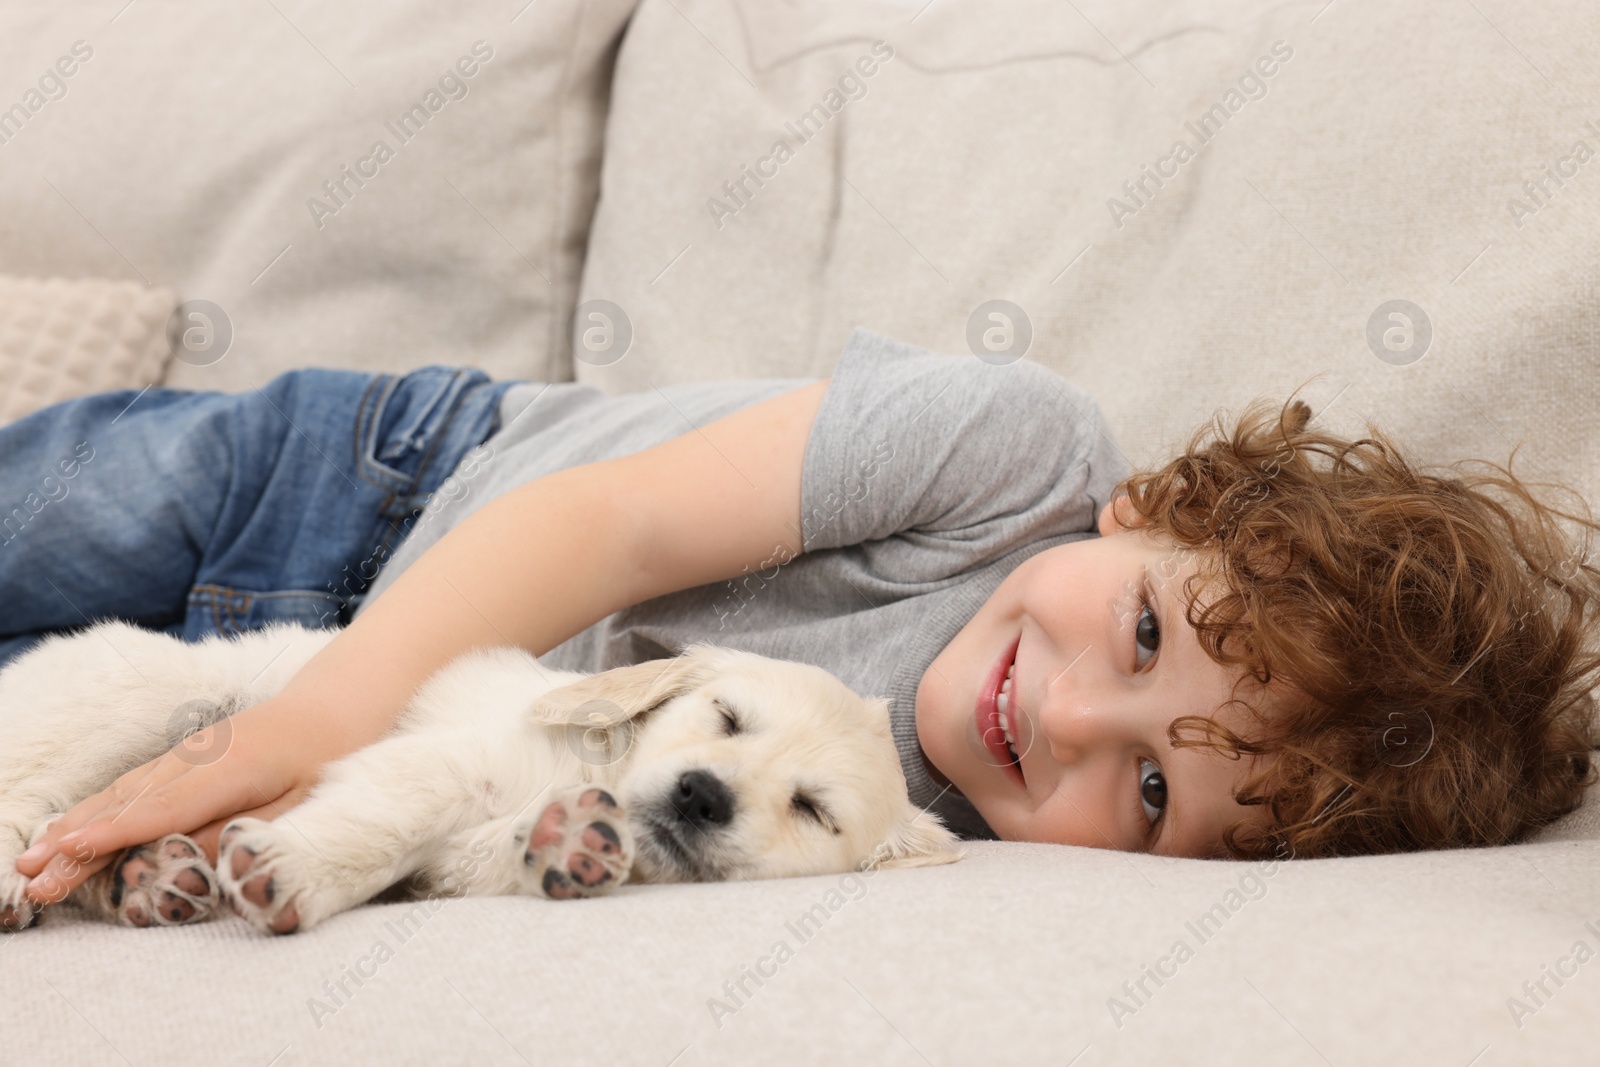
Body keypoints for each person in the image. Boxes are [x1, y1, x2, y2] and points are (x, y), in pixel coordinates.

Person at [6, 328, 1597, 912]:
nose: (1064, 725)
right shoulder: (1012, 451)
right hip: (366, 488)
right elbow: (596, 520)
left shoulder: (921, 853)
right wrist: (301, 727)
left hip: (386, 719)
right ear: (1155, 508)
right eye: (1141, 640)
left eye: (1158, 790)